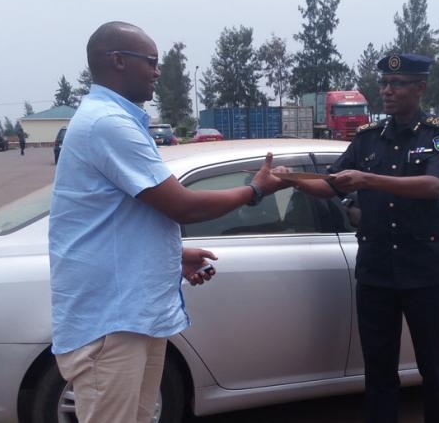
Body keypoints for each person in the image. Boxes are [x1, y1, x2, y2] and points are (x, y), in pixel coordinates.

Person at [48, 21, 286, 423]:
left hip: (132, 316)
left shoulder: (116, 120)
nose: (158, 72)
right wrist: (255, 191)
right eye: (152, 62)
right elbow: (183, 206)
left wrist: (173, 254)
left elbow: (124, 215)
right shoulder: (108, 123)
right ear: (118, 61)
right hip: (113, 321)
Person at [292, 53, 439, 423]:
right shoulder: (368, 138)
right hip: (377, 274)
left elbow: (433, 185)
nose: (387, 90)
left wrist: (368, 180)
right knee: (379, 373)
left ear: (420, 88)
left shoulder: (437, 131)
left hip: (427, 274)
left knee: (435, 371)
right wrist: (288, 180)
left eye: (396, 84)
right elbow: (330, 184)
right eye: (383, 83)